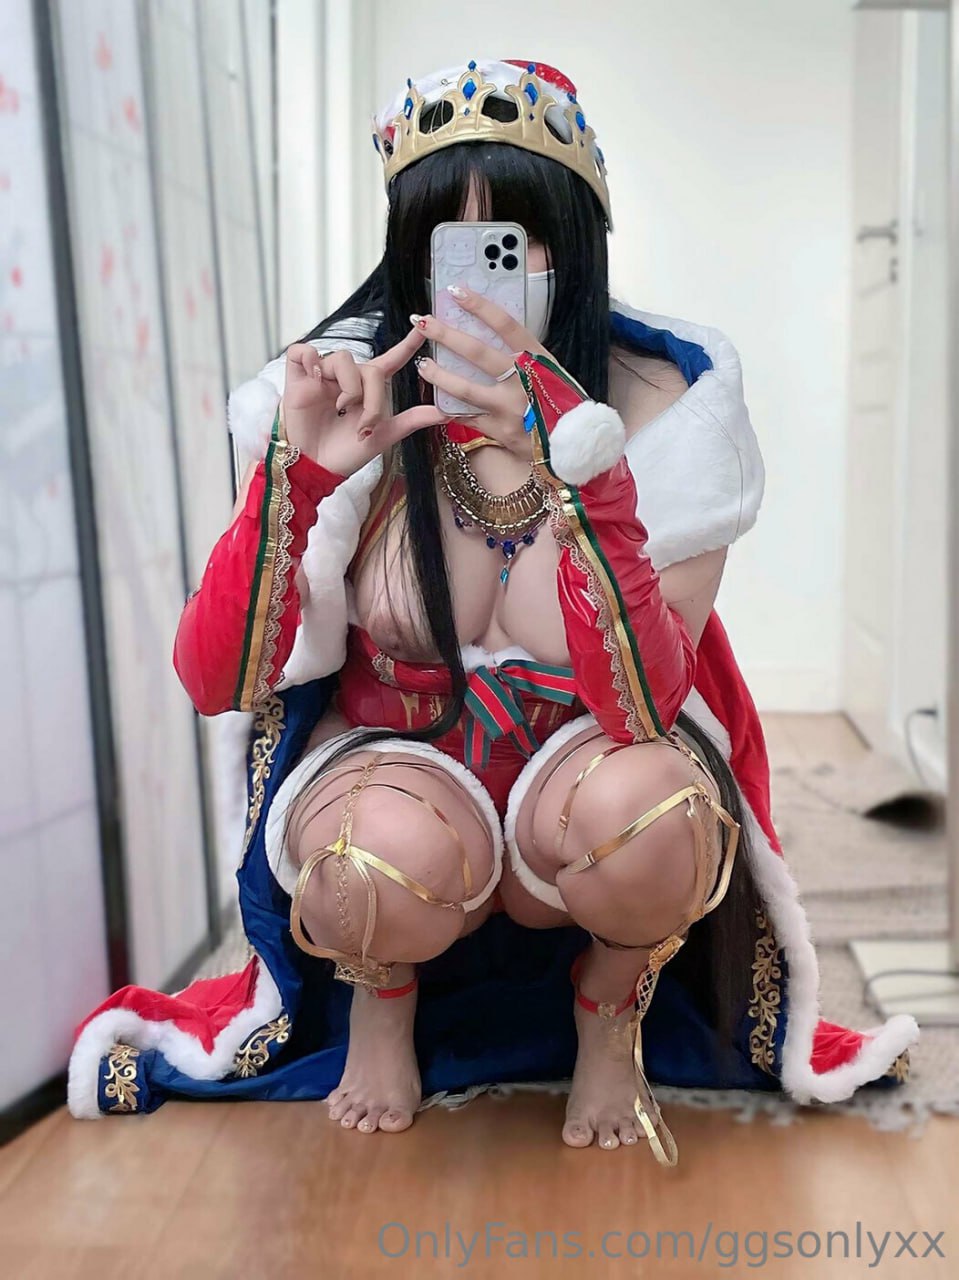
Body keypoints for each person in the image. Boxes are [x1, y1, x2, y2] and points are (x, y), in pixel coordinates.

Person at [68, 59, 917, 1162]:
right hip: (401, 772)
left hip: (589, 771)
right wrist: (299, 479)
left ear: (573, 245)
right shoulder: (347, 390)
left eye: (513, 238)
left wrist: (579, 468)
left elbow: (648, 703)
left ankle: (610, 1007)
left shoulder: (669, 412)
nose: (477, 277)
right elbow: (215, 680)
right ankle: (382, 999)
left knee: (659, 820)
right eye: (444, 239)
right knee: (367, 862)